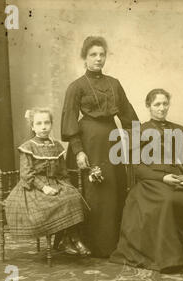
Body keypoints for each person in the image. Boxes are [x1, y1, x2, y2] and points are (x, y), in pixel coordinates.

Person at [110, 89, 183, 273]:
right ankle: (170, 259)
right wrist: (162, 177)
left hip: (178, 178)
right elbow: (137, 166)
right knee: (167, 201)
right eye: (157, 104)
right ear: (148, 106)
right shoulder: (139, 131)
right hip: (152, 180)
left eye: (165, 103)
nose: (162, 108)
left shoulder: (179, 130)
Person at [61, 36, 139, 258]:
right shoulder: (76, 86)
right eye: (93, 55)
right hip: (88, 142)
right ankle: (91, 244)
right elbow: (69, 120)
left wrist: (140, 141)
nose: (98, 59)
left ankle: (113, 244)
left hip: (112, 141)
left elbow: (128, 116)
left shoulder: (114, 83)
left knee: (114, 191)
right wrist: (79, 151)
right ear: (84, 58)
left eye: (101, 54)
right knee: (94, 193)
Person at [5, 109, 91, 256]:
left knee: (73, 197)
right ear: (32, 127)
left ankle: (69, 239)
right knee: (55, 202)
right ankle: (72, 240)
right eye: (38, 123)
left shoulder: (56, 146)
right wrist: (44, 188)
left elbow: (63, 173)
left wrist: (67, 186)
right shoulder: (28, 146)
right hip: (33, 187)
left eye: (47, 123)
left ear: (51, 124)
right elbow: (26, 175)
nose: (43, 127)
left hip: (55, 182)